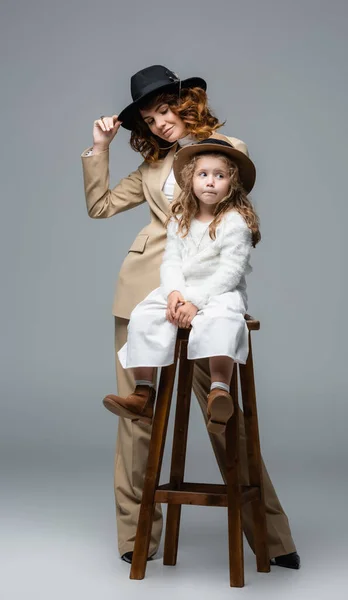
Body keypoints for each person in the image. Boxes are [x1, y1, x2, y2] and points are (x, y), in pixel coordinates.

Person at [81, 64, 300, 569]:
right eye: (149, 119)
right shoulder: (151, 169)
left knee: (225, 417)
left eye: (165, 109)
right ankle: (136, 536)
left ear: (188, 103)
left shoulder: (228, 152)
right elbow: (99, 206)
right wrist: (101, 148)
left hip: (206, 296)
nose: (160, 123)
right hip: (146, 295)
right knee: (138, 422)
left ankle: (270, 536)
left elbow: (236, 220)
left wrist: (195, 295)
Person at [103, 139, 259, 434]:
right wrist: (174, 292)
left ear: (231, 184)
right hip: (182, 288)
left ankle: (219, 391)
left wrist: (195, 302)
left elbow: (230, 272)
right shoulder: (180, 219)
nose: (210, 182)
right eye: (203, 174)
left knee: (223, 319)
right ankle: (143, 393)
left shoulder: (234, 222)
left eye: (219, 176)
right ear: (190, 179)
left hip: (218, 291)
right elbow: (171, 261)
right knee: (144, 315)